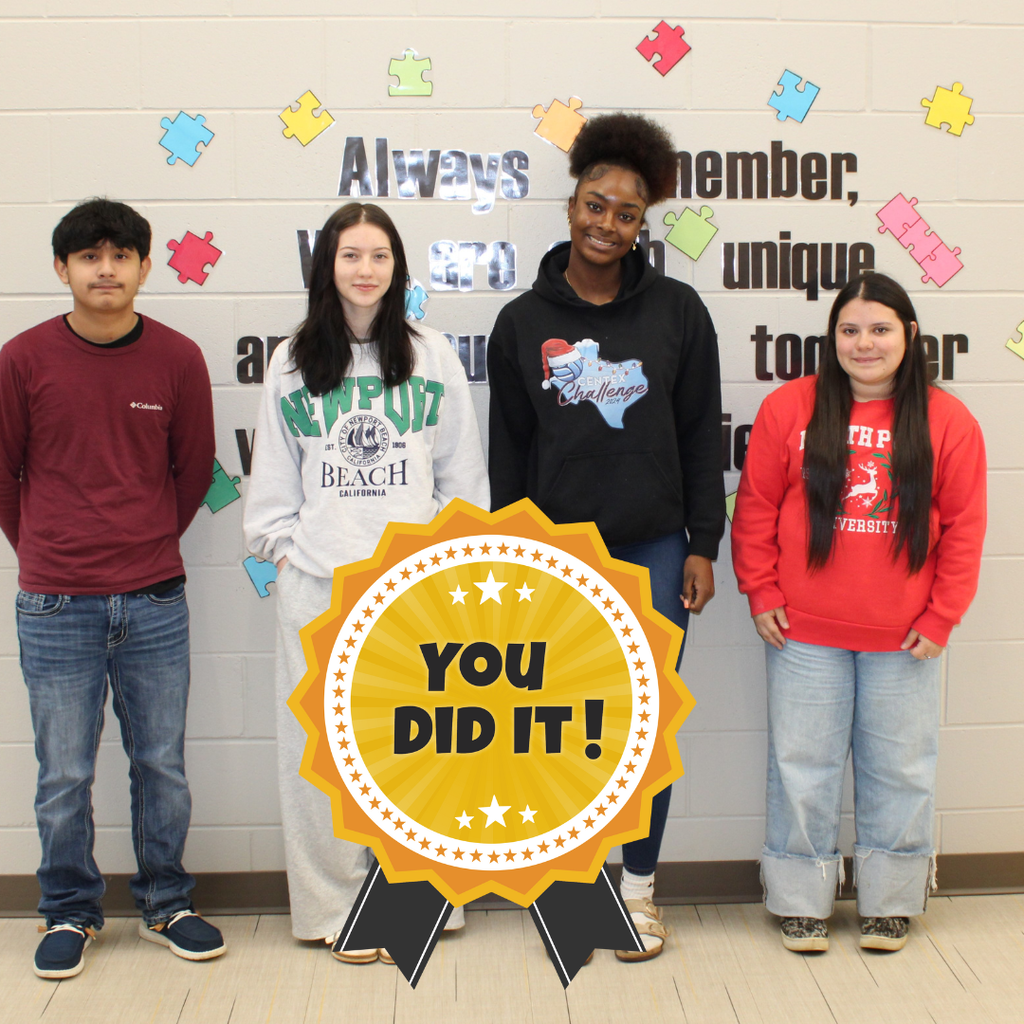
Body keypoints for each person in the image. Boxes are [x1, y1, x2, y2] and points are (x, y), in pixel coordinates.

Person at [486, 113, 726, 961]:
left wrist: (704, 543)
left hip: (658, 547)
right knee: (568, 722)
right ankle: (578, 887)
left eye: (627, 213)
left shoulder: (678, 311)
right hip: (555, 557)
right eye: (596, 204)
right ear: (571, 204)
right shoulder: (520, 323)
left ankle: (640, 887)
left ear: (641, 223)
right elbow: (507, 451)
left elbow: (702, 433)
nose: (607, 223)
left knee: (645, 724)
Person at [243, 202, 489, 964]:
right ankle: (333, 908)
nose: (365, 269)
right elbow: (274, 482)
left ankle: (414, 900)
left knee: (415, 749)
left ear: (397, 266)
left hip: (412, 586)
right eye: (350, 254)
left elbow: (462, 476)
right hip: (319, 583)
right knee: (317, 754)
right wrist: (288, 550)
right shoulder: (291, 359)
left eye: (379, 254)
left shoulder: (432, 354)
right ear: (327, 265)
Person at [0, 198, 225, 979]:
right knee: (63, 769)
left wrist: (146, 541)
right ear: (61, 269)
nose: (106, 269)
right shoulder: (22, 358)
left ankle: (168, 902)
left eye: (121, 255)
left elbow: (192, 470)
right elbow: (5, 474)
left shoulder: (178, 358)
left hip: (155, 597)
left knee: (160, 761)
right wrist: (43, 548)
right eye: (89, 256)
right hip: (55, 601)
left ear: (143, 266)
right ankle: (68, 911)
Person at [731, 272, 986, 953]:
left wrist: (941, 617)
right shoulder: (793, 407)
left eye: (879, 329)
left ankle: (891, 900)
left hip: (906, 639)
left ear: (908, 337)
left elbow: (964, 527)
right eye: (850, 329)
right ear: (832, 337)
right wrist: (761, 590)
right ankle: (798, 900)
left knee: (900, 768)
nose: (864, 343)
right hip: (803, 634)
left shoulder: (947, 420)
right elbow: (754, 507)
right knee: (800, 765)